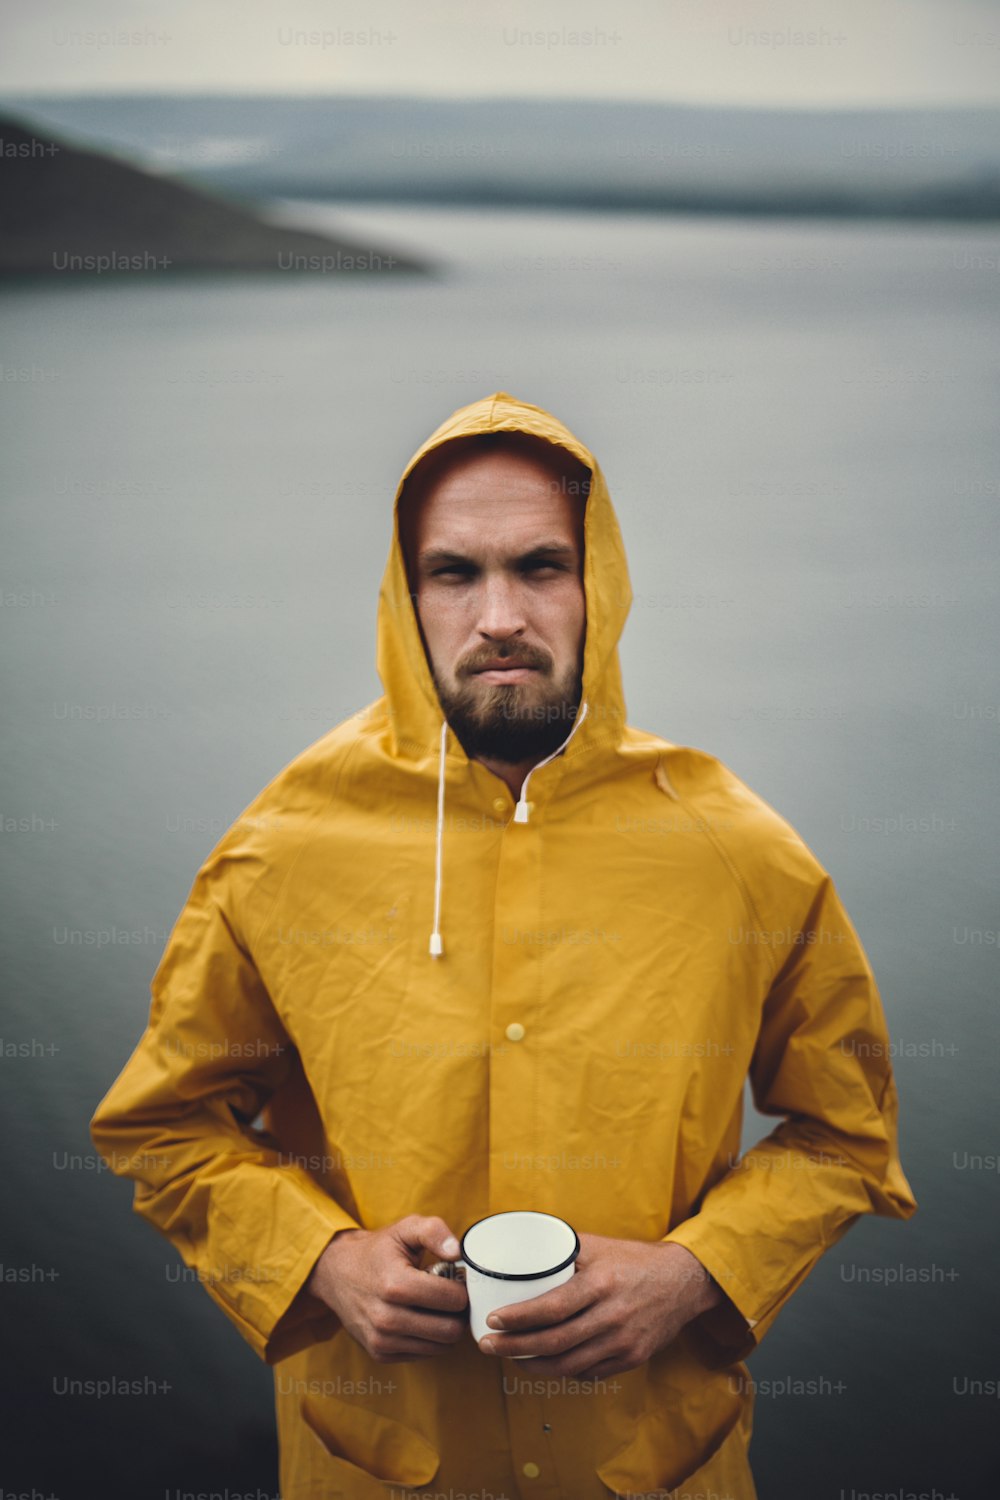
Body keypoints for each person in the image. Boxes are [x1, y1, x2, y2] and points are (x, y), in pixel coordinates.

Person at [90, 391, 918, 1499]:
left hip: (651, 1463)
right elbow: (162, 1126)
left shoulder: (739, 853)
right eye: (453, 573)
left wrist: (696, 1273)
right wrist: (322, 1264)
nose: (499, 616)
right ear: (405, 593)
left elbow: (845, 1131)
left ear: (598, 585)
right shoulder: (280, 850)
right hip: (373, 1467)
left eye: (539, 566)